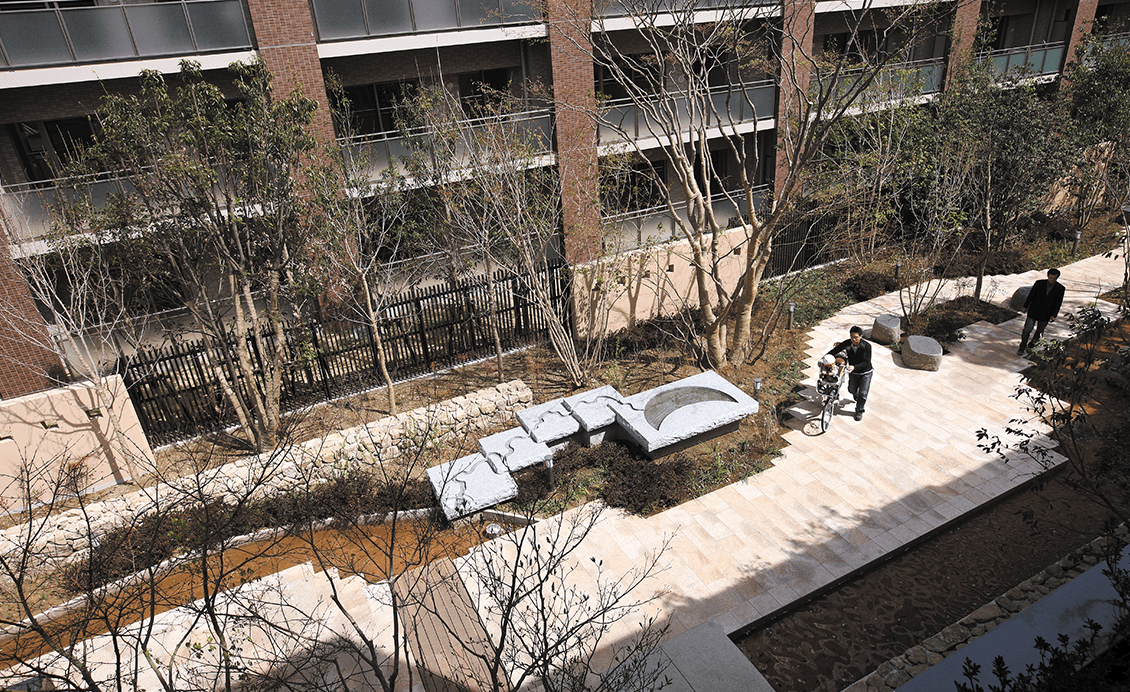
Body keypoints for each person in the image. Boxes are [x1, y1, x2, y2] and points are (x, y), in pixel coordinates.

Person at [827, 326, 872, 421]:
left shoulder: (867, 346)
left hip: (865, 372)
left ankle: (859, 410)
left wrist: (855, 367)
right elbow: (836, 350)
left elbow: (867, 362)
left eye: (856, 337)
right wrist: (825, 358)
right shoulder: (848, 343)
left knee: (863, 394)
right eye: (852, 336)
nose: (853, 339)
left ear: (861, 336)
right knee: (851, 390)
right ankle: (856, 396)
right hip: (854, 373)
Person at [1018, 268, 1065, 355]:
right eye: (1050, 277)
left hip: (1046, 313)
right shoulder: (1039, 283)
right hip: (1034, 310)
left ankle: (1031, 346)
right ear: (1048, 276)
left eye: (1054, 278)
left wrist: (1054, 315)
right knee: (1027, 329)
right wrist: (1025, 307)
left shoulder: (1060, 288)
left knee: (1039, 331)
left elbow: (1058, 302)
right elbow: (1031, 295)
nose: (1052, 280)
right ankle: (1022, 346)